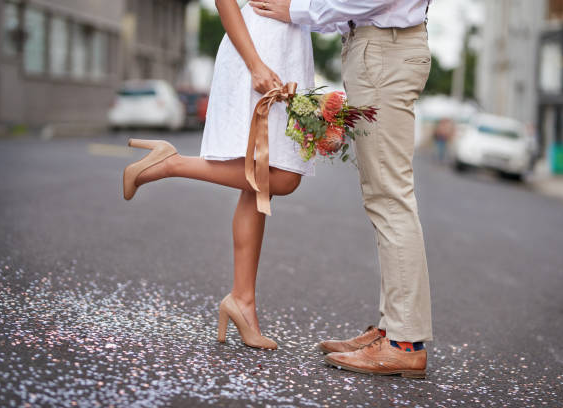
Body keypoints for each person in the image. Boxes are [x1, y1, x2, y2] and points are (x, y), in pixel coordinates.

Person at [251, 0, 433, 378]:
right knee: (383, 194)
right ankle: (393, 330)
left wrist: (297, 9)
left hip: (386, 48)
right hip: (378, 46)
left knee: (389, 196)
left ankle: (404, 344)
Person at [122, 0, 315, 350]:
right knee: (283, 177)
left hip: (289, 52)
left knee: (259, 185)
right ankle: (170, 163)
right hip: (257, 53)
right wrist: (255, 63)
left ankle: (243, 301)